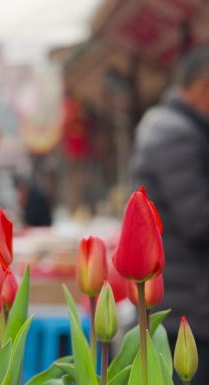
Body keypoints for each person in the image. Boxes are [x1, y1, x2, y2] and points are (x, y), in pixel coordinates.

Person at [131, 45, 209, 384]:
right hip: (188, 304)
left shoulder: (173, 126)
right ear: (204, 86)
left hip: (185, 298)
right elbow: (199, 219)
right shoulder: (175, 134)